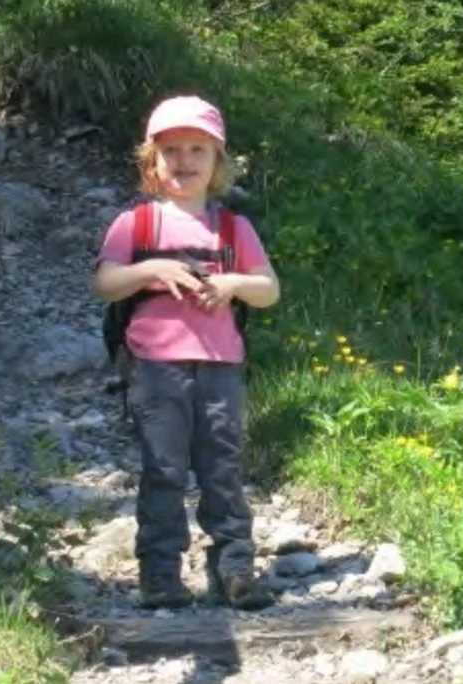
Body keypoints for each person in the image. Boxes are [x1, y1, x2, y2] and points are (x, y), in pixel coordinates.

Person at [92, 94, 279, 610]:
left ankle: (234, 572)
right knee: (164, 469)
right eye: (171, 150)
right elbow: (105, 283)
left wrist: (233, 284)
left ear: (218, 162)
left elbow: (268, 289)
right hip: (155, 368)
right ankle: (159, 576)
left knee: (223, 468)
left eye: (198, 149)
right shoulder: (136, 224)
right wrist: (152, 270)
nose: (184, 160)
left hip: (221, 366)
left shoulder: (233, 229)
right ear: (151, 161)